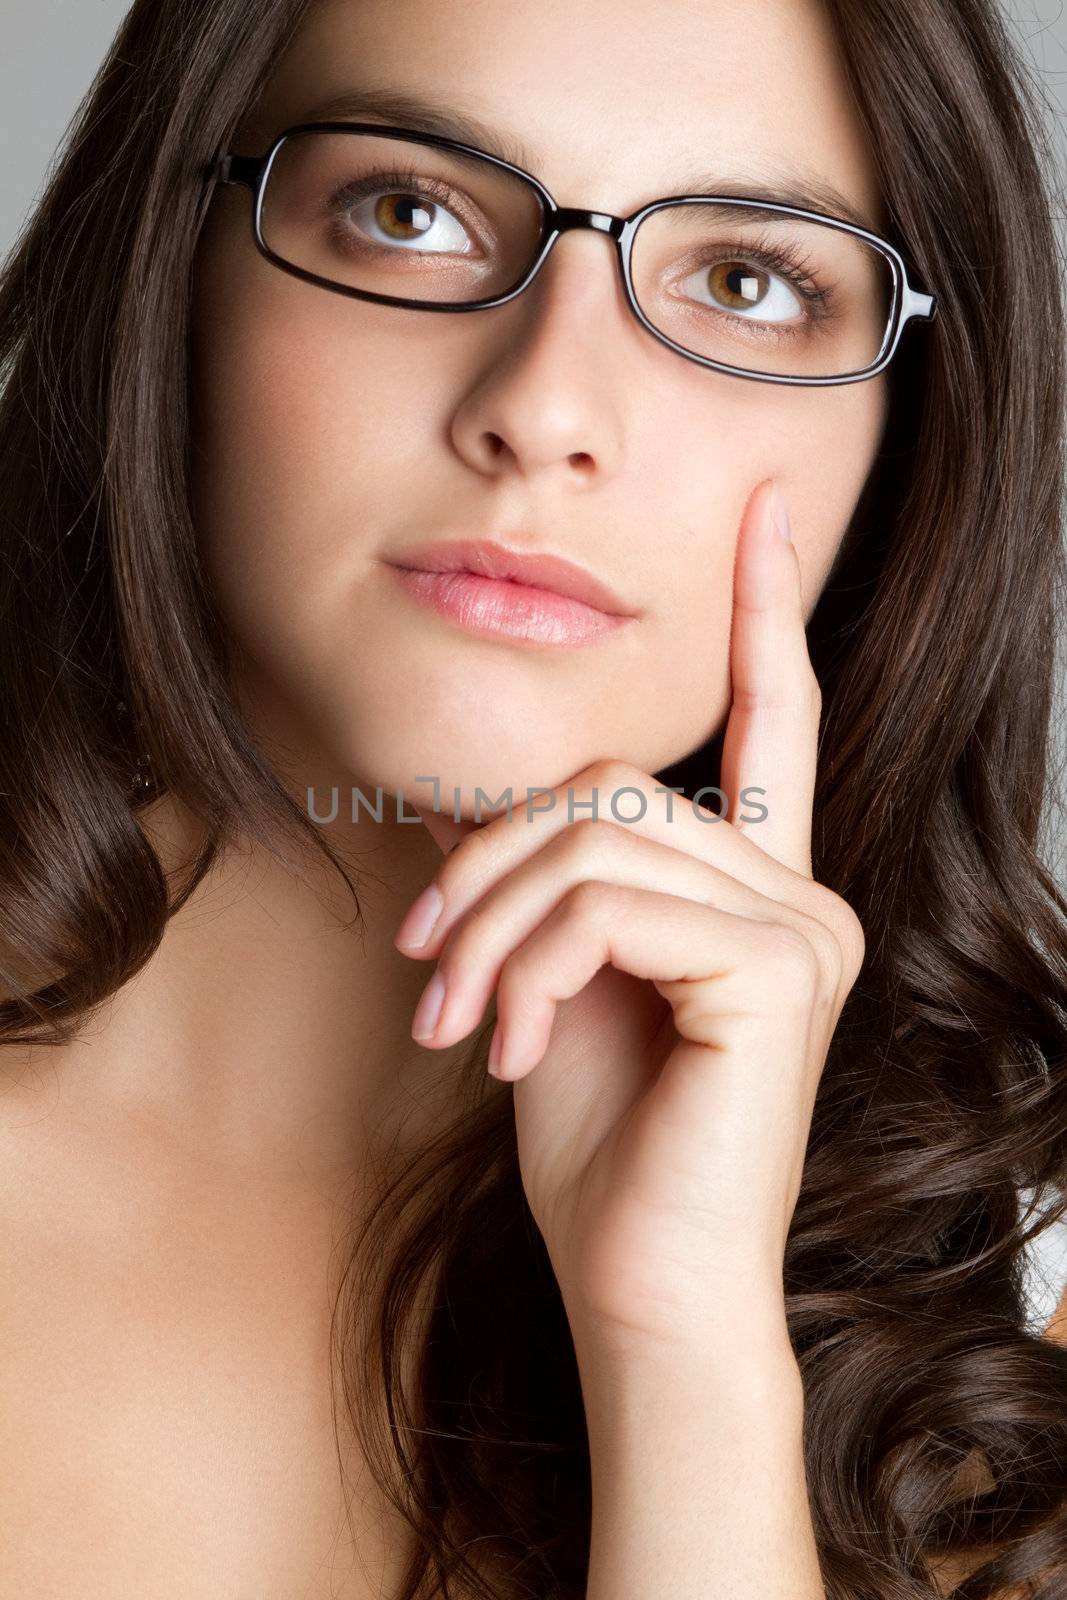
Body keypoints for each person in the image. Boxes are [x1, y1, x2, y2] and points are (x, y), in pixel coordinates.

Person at [0, 0, 1064, 1594]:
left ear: (908, 438)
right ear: (170, 277)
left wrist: (686, 1355)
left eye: (746, 279)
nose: (548, 410)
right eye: (409, 211)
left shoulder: (1007, 1358)